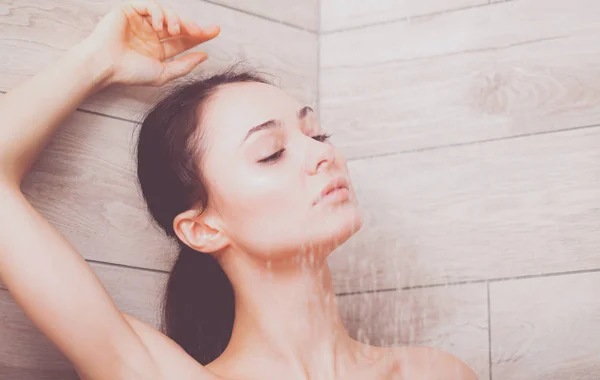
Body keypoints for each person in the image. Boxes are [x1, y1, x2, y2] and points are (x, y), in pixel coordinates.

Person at [0, 1, 478, 379]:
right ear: (202, 228)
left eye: (317, 135)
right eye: (271, 152)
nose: (321, 155)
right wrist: (96, 61)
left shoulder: (436, 373)